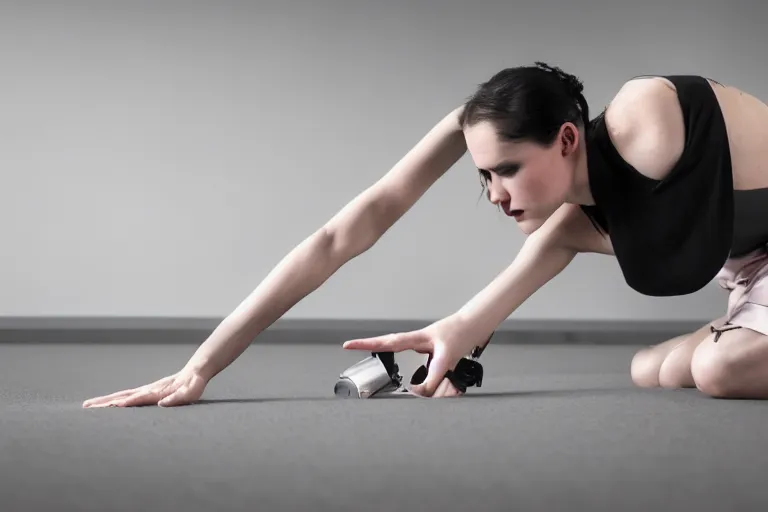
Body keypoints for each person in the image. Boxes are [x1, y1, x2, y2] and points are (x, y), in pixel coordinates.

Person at [83, 62, 768, 407]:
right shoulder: (568, 217)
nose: (494, 195)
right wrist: (201, 366)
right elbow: (342, 233)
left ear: (566, 138)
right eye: (483, 175)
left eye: (507, 171)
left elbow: (673, 146)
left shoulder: (644, 116)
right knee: (651, 371)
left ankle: (733, 341)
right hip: (743, 270)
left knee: (715, 371)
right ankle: (737, 327)